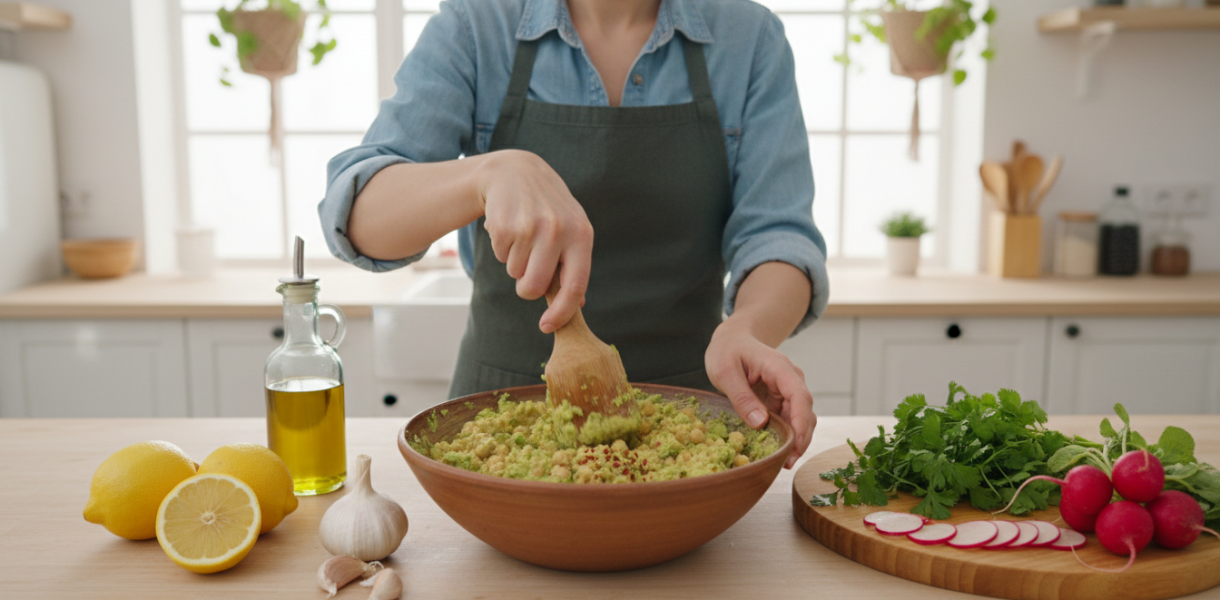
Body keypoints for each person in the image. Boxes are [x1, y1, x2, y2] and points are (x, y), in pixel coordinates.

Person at [319, 0, 828, 468]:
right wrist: (485, 176)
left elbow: (780, 236)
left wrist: (748, 330)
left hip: (700, 416)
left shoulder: (750, 38)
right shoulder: (478, 25)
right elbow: (360, 216)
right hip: (491, 415)